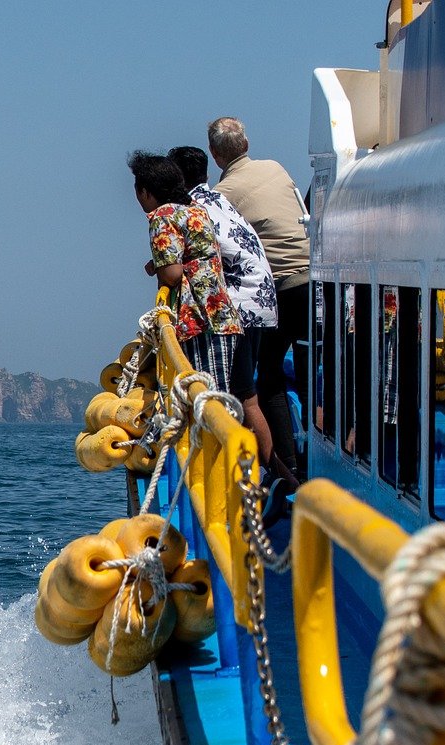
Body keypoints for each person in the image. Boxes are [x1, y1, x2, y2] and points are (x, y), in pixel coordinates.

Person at [166, 145, 296, 488]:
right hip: (261, 299)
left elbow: (192, 261)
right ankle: (279, 472)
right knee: (249, 391)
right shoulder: (218, 199)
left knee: (238, 395)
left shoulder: (191, 209)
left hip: (237, 307)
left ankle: (266, 474)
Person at [208, 117, 309, 482]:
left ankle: (288, 467)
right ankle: (328, 452)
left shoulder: (224, 194)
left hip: (280, 288)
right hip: (316, 279)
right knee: (315, 374)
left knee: (266, 379)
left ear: (215, 155)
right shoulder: (276, 168)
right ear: (247, 144)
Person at [128, 151, 243, 394]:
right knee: (222, 398)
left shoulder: (162, 216)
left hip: (196, 319)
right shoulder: (196, 211)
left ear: (146, 192)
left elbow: (172, 273)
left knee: (202, 397)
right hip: (222, 315)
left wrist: (159, 268)